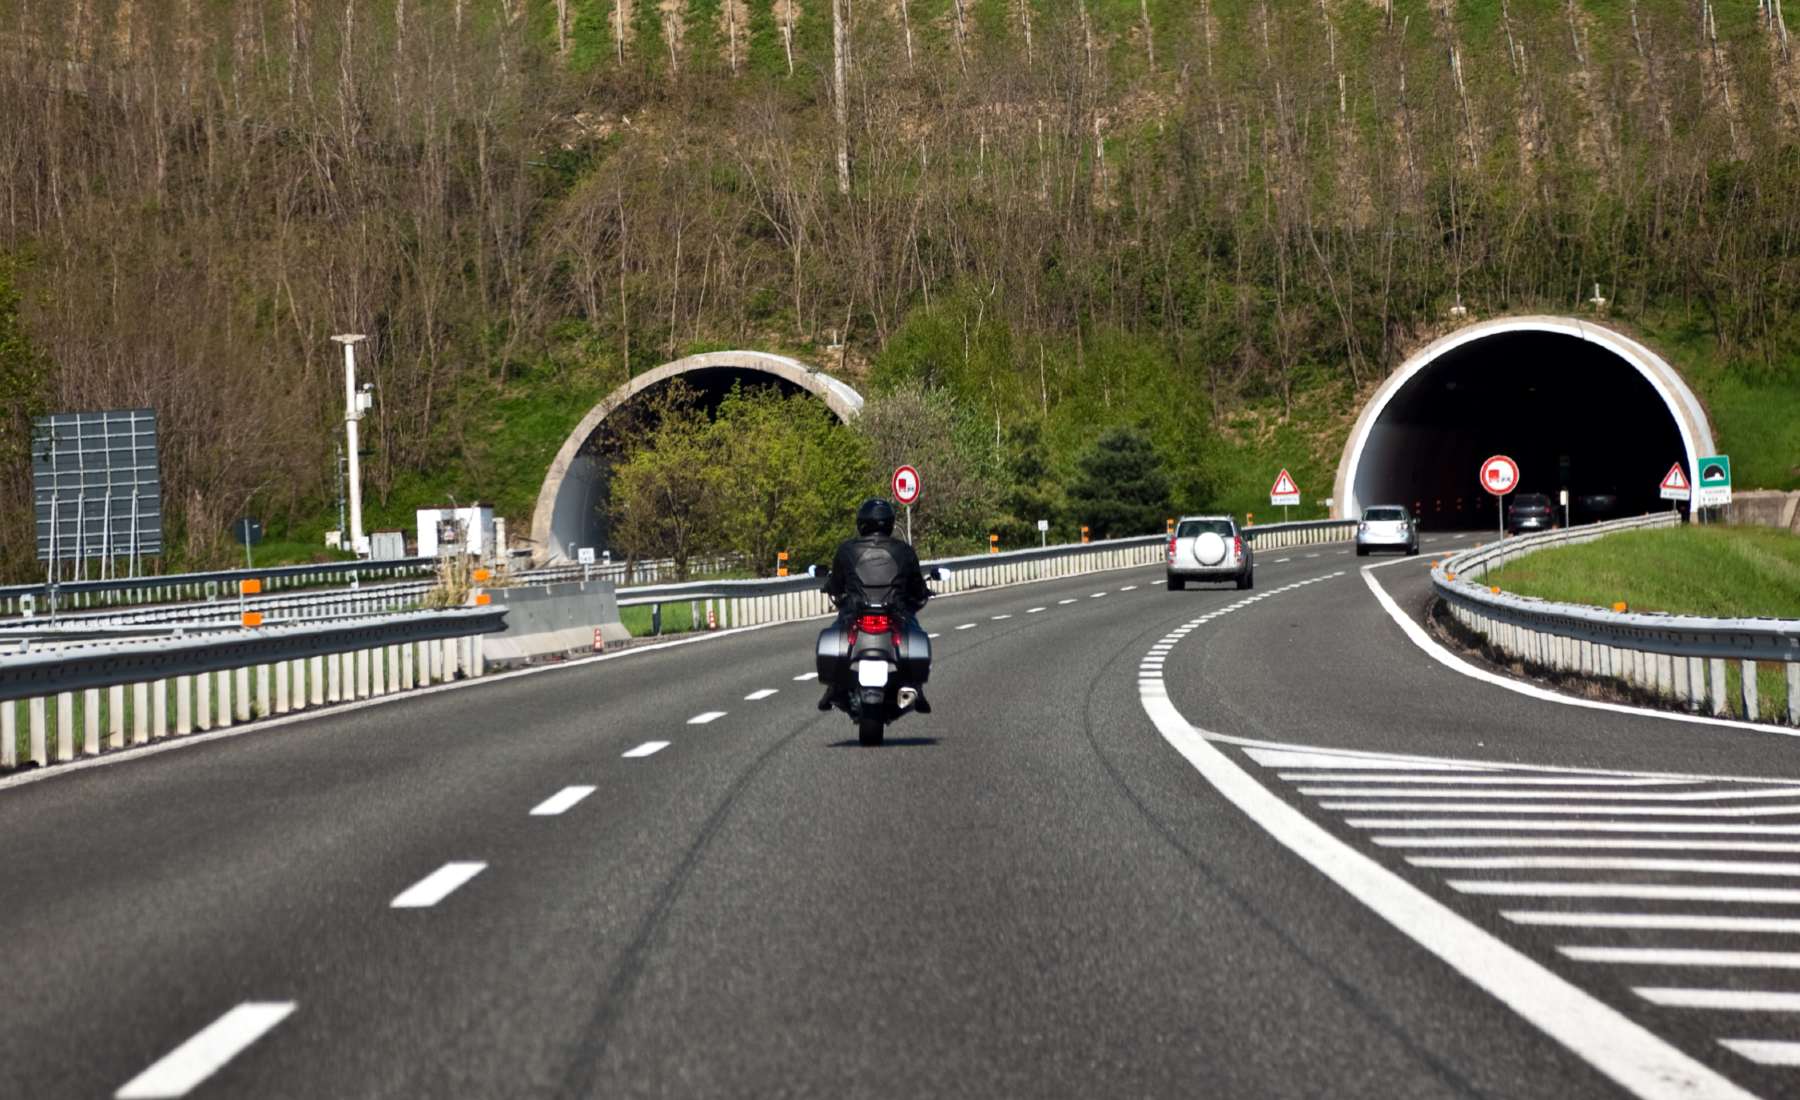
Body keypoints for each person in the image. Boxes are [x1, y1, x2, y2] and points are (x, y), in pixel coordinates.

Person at [819, 498, 933, 714]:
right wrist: (923, 592)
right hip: (896, 612)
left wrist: (831, 588)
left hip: (855, 612)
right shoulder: (904, 551)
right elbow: (917, 586)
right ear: (889, 523)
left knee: (837, 632)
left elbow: (836, 584)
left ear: (861, 523)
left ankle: (833, 687)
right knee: (914, 631)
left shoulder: (847, 550)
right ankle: (917, 687)